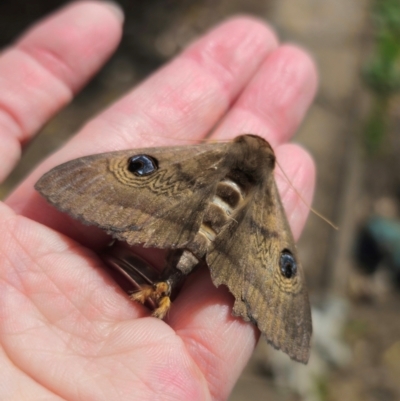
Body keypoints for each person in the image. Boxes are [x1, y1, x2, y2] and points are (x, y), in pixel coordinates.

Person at [0, 1, 317, 399]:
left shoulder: (201, 157)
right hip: (207, 249)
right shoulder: (268, 198)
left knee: (139, 169)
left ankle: (163, 288)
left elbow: (133, 168)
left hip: (176, 230)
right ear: (270, 170)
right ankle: (166, 289)